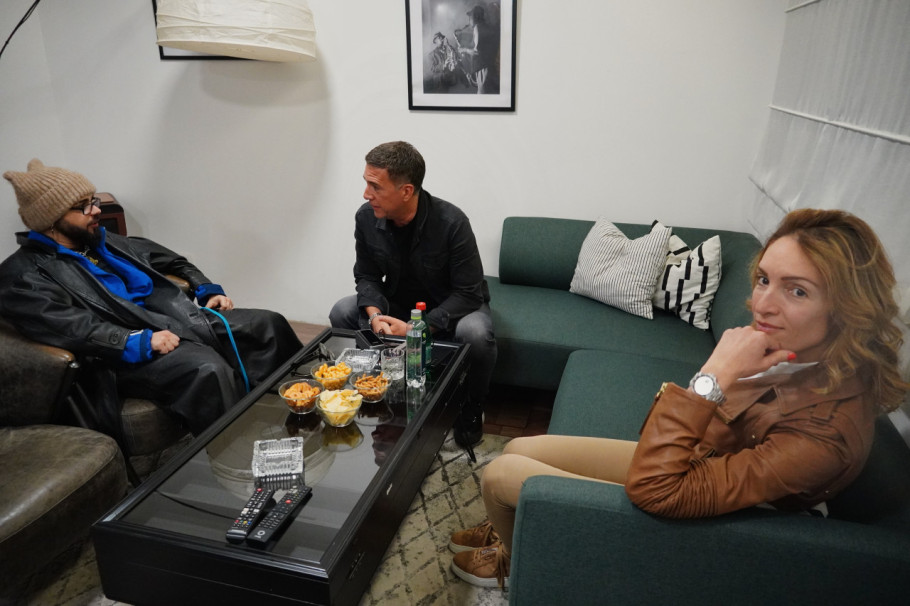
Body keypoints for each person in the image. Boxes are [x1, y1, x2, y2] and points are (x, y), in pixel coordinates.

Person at [447, 208, 909, 588]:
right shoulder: (793, 355)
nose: (762, 304)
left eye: (798, 290)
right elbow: (685, 432)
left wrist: (713, 375)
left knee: (501, 474)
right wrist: (719, 380)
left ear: (847, 308)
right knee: (520, 446)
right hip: (694, 463)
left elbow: (658, 489)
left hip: (700, 509)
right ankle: (518, 523)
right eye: (764, 280)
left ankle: (523, 563)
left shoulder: (827, 431)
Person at [0, 159, 302, 439]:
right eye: (83, 206)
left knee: (267, 325)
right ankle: (237, 454)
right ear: (51, 220)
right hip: (120, 354)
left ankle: (298, 416)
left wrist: (206, 288)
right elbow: (71, 327)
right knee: (207, 369)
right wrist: (133, 341)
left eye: (93, 200)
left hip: (172, 320)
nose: (95, 211)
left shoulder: (101, 241)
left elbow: (174, 261)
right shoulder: (22, 276)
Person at [329, 141, 496, 448]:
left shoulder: (452, 223)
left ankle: (470, 408)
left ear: (406, 191)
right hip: (398, 305)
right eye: (366, 183)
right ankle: (377, 389)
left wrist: (416, 328)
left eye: (375, 186)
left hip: (451, 309)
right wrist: (376, 315)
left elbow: (469, 293)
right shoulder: (366, 218)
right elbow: (366, 276)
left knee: (476, 332)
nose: (366, 194)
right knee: (342, 310)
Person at [456, 5, 501, 94]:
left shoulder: (477, 27)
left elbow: (477, 52)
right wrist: (463, 46)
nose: (469, 21)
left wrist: (464, 50)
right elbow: (478, 45)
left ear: (476, 17)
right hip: (486, 66)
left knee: (482, 94)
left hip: (483, 67)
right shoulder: (484, 27)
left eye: (470, 18)